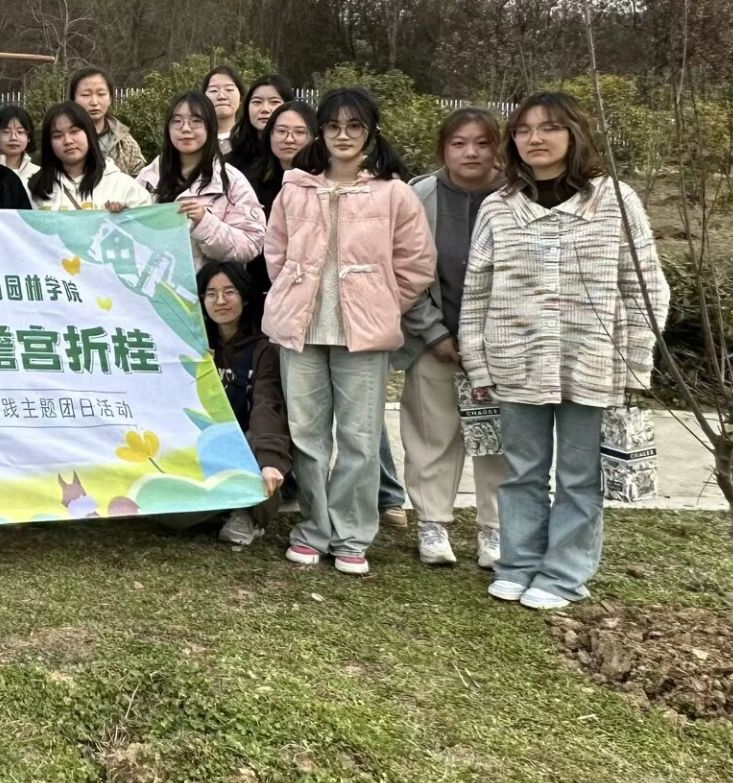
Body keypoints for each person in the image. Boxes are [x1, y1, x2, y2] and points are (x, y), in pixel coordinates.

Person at [465, 92, 669, 611]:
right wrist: (478, 361)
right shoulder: (499, 205)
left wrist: (636, 362)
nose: (534, 139)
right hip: (516, 361)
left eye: (549, 128)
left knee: (580, 477)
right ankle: (519, 564)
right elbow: (477, 290)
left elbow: (645, 286)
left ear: (574, 133)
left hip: (593, 360)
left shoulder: (615, 201)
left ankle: (563, 575)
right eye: (523, 130)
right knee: (522, 472)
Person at [262, 87, 435, 576]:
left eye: (354, 126)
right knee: (308, 435)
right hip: (302, 330)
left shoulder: (394, 194)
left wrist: (381, 303)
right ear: (321, 132)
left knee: (359, 437)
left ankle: (352, 534)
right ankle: (314, 528)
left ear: (370, 132)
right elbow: (276, 252)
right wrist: (295, 291)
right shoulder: (295, 189)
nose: (343, 135)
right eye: (334, 126)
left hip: (364, 334)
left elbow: (416, 264)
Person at [396, 109, 510, 570]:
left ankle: (496, 528)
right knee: (431, 432)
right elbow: (401, 268)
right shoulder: (419, 195)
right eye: (459, 143)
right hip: (434, 338)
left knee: (498, 438)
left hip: (503, 343)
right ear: (443, 148)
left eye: (482, 143)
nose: (471, 153)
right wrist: (434, 331)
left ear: (498, 148)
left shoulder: (518, 195)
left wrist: (495, 337)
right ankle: (432, 522)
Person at [198, 262, 292, 549]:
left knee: (256, 447)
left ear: (246, 297)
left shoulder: (264, 348)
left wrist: (270, 459)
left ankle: (249, 514)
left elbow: (267, 404)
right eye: (211, 294)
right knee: (173, 519)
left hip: (249, 443)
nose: (220, 301)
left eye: (230, 292)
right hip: (206, 445)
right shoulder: (196, 344)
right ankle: (224, 506)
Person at [137, 94, 266, 263]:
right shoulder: (149, 177)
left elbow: (251, 244)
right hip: (154, 277)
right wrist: (119, 210)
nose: (185, 129)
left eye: (196, 121)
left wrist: (205, 223)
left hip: (206, 279)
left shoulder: (230, 181)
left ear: (210, 127)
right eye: (177, 121)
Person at [28, 102, 151, 211]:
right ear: (49, 144)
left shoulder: (122, 186)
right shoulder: (35, 189)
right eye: (57, 136)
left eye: (74, 131)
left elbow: (146, 222)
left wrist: (127, 217)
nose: (68, 140)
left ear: (89, 134)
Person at [68, 67, 146, 176]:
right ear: (73, 99)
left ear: (110, 99)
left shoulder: (125, 143)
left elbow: (140, 181)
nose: (94, 102)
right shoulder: (63, 139)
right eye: (86, 95)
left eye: (101, 94)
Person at [248, 100, 316, 213]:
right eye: (281, 131)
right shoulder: (252, 181)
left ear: (314, 137)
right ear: (270, 134)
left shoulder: (322, 182)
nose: (289, 139)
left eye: (299, 132)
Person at [231, 74, 294, 175]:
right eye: (257, 102)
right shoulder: (233, 158)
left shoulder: (299, 156)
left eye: (274, 102)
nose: (265, 109)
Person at [203, 65, 248, 158]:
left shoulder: (251, 139)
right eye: (213, 91)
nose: (221, 96)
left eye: (229, 90)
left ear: (241, 98)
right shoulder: (195, 139)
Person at [0, 104, 37, 184]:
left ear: (29, 137)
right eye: (6, 132)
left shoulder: (37, 174)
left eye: (20, 132)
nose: (13, 137)